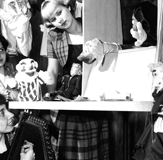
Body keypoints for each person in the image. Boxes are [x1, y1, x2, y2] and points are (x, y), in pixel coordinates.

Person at [41, 1, 110, 160]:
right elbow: (52, 71)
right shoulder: (54, 36)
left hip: (95, 95)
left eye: (59, 12)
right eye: (53, 19)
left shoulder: (93, 25)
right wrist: (51, 104)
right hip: (69, 98)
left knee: (94, 150)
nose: (59, 20)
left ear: (68, 7)